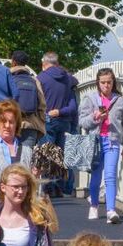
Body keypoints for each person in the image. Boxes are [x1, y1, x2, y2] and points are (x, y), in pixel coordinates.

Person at [78, 68, 123, 223]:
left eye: (109, 82)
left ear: (113, 82)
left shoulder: (120, 101)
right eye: (103, 82)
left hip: (112, 141)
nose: (106, 85)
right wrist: (95, 117)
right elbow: (82, 122)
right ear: (98, 83)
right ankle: (94, 205)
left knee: (110, 176)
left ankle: (111, 210)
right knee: (95, 177)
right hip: (95, 142)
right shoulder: (90, 99)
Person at [38, 53, 78, 197]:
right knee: (60, 155)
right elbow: (73, 106)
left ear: (44, 63)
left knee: (48, 154)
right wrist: (61, 111)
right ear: (57, 62)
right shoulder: (68, 79)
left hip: (48, 120)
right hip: (64, 121)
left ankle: (49, 188)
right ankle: (59, 186)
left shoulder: (41, 78)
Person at [7, 50, 48, 163]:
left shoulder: (8, 78)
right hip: (31, 125)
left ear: (13, 62)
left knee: (11, 159)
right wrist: (41, 122)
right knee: (26, 160)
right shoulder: (34, 80)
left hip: (11, 125)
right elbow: (42, 104)